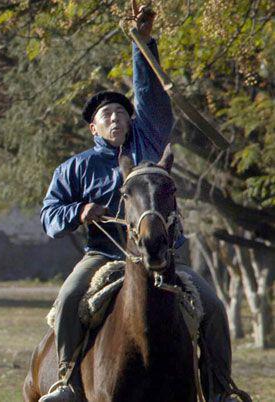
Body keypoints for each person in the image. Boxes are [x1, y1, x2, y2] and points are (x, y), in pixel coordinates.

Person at [39, 8, 233, 402]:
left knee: (212, 306)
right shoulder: (75, 167)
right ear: (94, 127)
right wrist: (78, 212)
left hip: (164, 258)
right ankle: (64, 383)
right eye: (105, 115)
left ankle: (218, 390)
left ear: (131, 121)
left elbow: (150, 96)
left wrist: (143, 44)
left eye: (121, 113)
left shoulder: (147, 143)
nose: (115, 118)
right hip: (104, 256)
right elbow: (48, 215)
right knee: (69, 299)